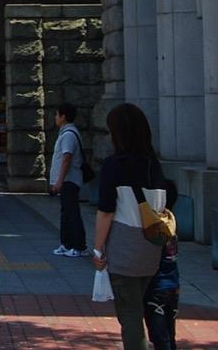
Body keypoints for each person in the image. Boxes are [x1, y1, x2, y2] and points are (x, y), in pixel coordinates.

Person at [91, 102, 168, 350]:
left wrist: (98, 249)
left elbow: (105, 211)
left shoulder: (114, 165)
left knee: (130, 315)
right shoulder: (154, 164)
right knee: (144, 309)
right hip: (152, 248)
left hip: (125, 249)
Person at [144, 179, 180, 350]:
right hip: (173, 284)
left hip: (157, 287)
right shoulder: (170, 220)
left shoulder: (156, 227)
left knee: (160, 336)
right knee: (169, 332)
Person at [49, 101, 89, 257]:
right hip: (67, 180)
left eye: (57, 114)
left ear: (63, 116)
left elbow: (67, 158)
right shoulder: (67, 133)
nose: (55, 117)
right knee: (66, 212)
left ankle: (79, 245)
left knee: (72, 213)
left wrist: (59, 181)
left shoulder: (68, 135)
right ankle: (66, 244)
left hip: (69, 180)